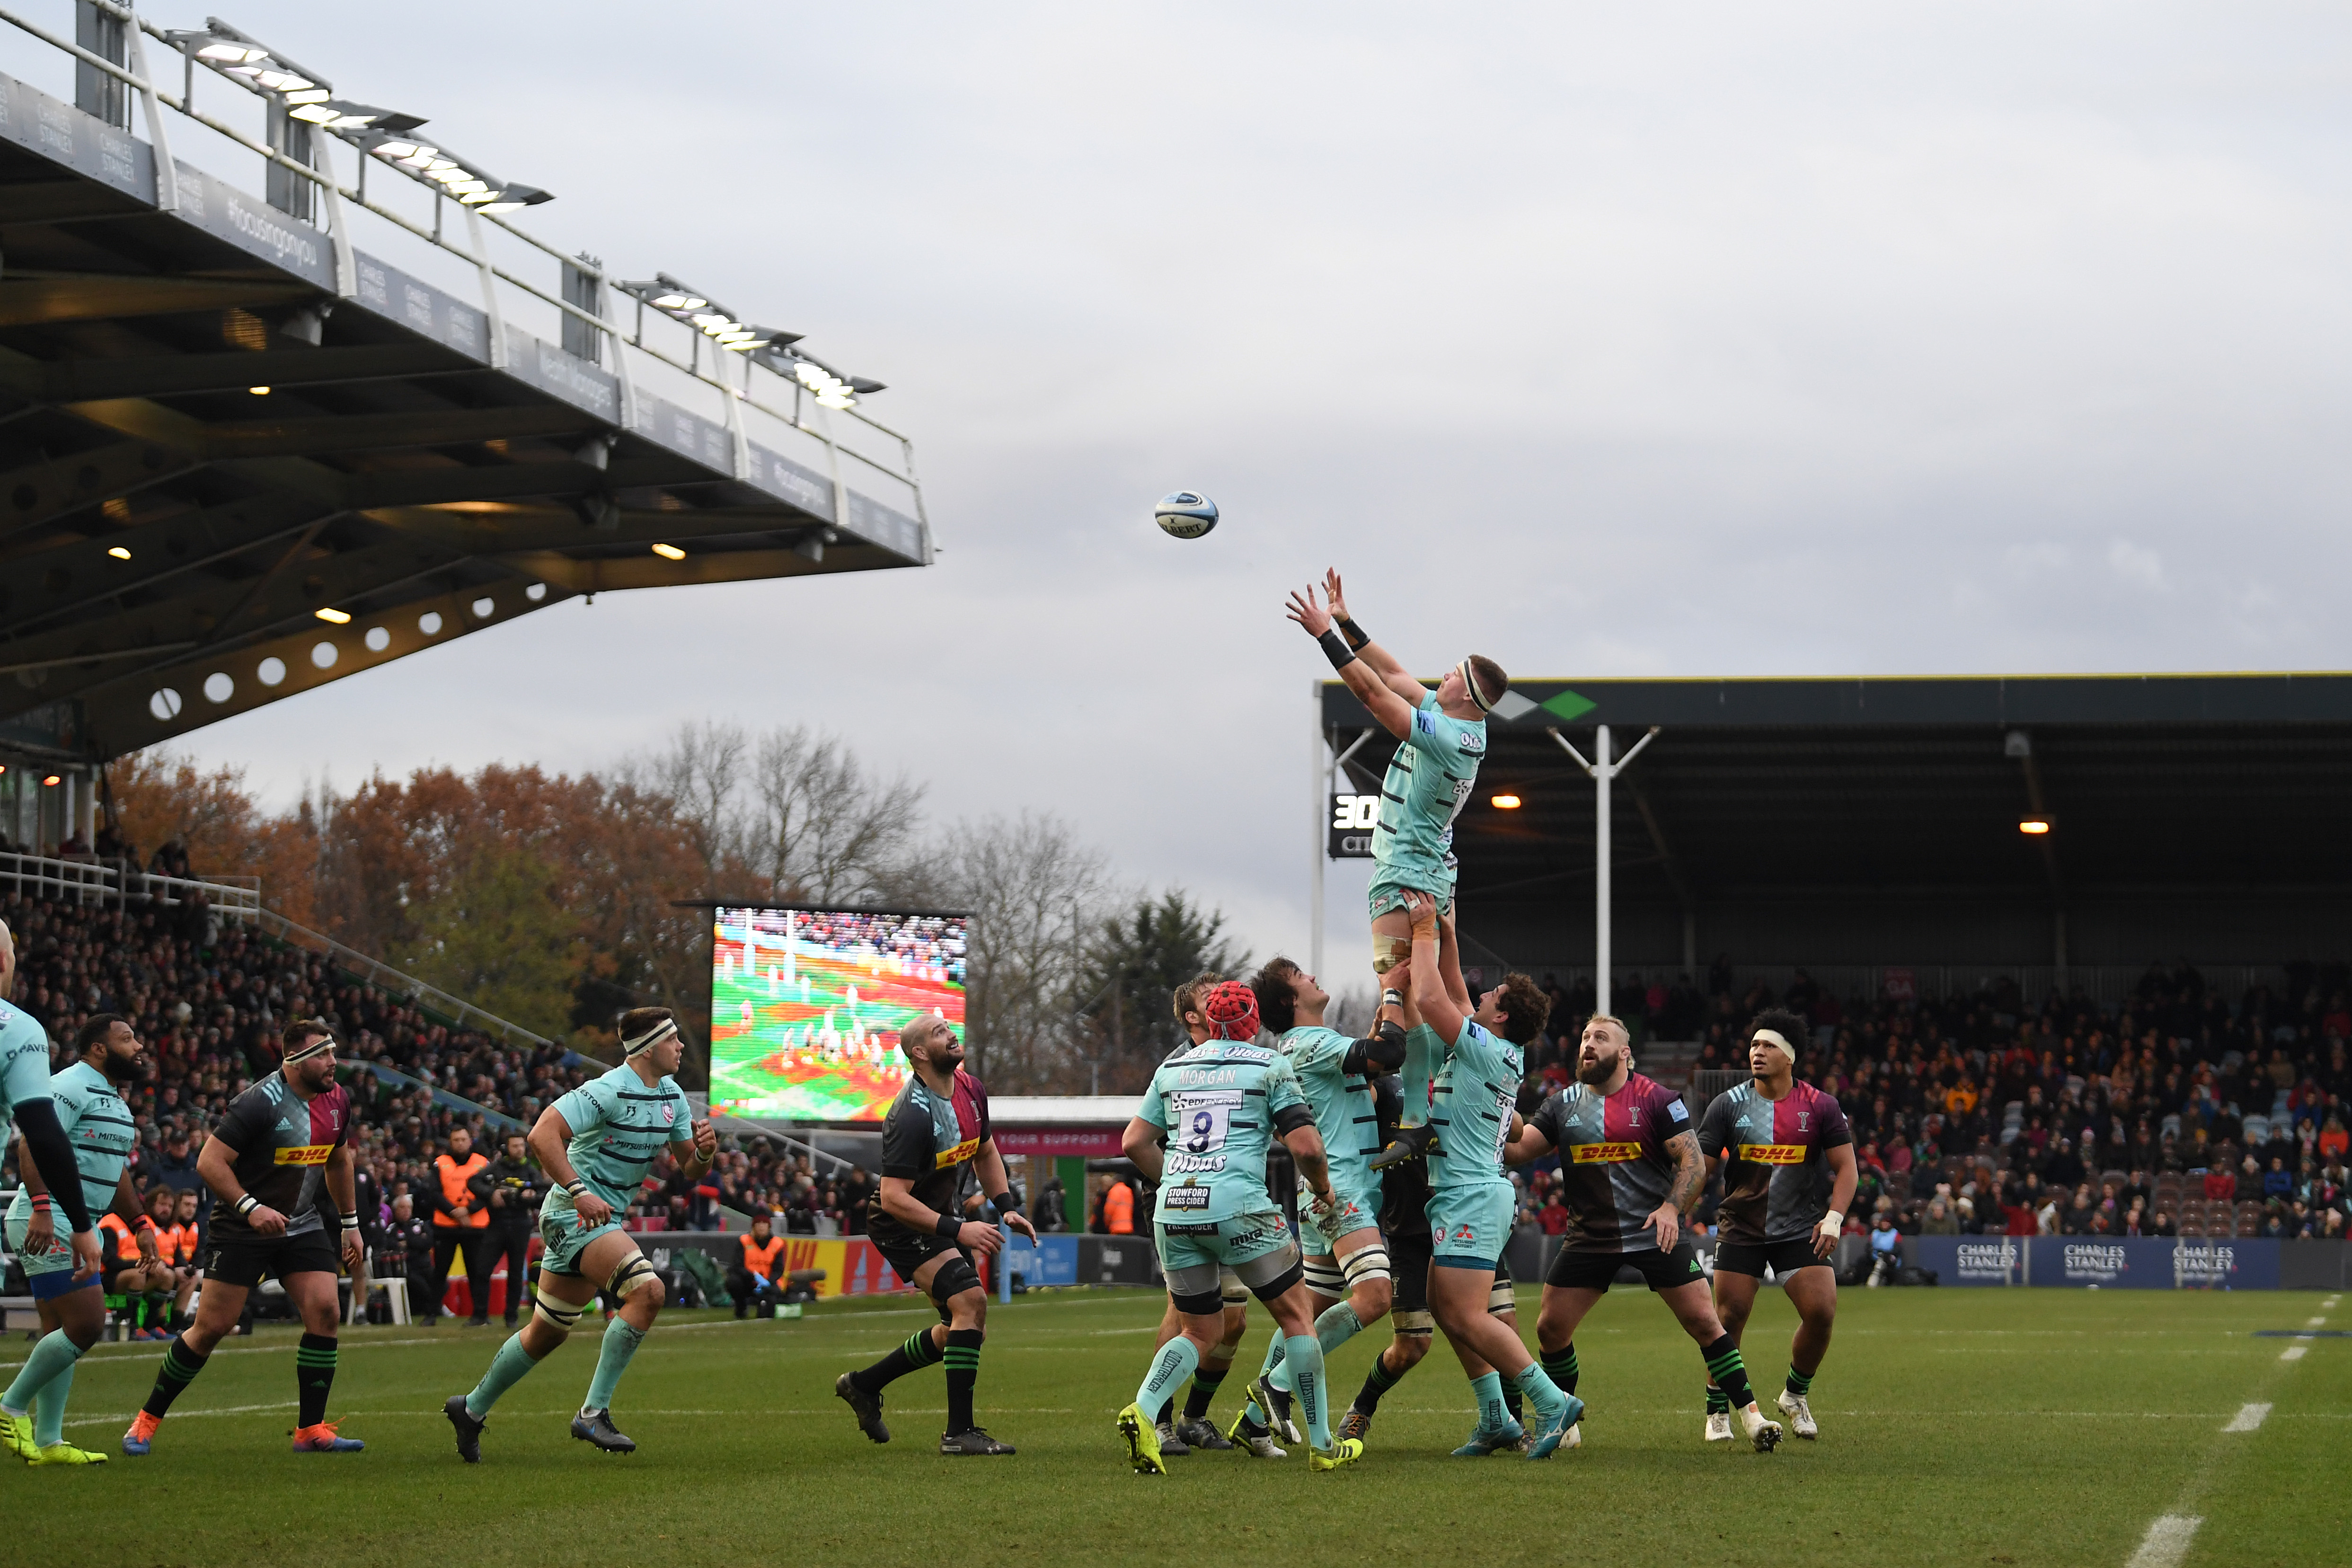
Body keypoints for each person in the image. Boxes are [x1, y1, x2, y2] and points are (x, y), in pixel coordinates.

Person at [1285, 571, 1504, 1171]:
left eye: (1456, 672)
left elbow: (1373, 696)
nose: (1446, 674)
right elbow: (1393, 671)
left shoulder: (1450, 735)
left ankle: (1416, 1119)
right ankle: (1467, 1095)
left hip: (1406, 871)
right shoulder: (1462, 718)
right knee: (1450, 995)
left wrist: (1324, 637)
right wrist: (1348, 622)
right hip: (1437, 867)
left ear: (1468, 696)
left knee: (1404, 991)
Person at [443, 1007, 716, 1460]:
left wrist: (705, 1153)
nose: (681, 1046)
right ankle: (593, 1413)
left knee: (546, 1332)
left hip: (597, 1219)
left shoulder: (673, 1096)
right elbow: (541, 1135)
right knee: (648, 1292)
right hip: (575, 1214)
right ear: (648, 1048)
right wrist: (578, 1191)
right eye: (672, 1040)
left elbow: (689, 1166)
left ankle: (469, 1410)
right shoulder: (605, 1090)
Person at [1509, 1010, 1784, 1453]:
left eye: (1600, 1037)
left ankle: (1752, 1418)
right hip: (1590, 1237)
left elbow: (1694, 1163)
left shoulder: (1657, 1099)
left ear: (1625, 1053)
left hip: (1654, 1230)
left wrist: (1673, 1209)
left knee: (1704, 1321)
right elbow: (1521, 1150)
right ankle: (1566, 1416)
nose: (1588, 1044)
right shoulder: (1562, 1103)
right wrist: (1480, 1126)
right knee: (1550, 1329)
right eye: (1584, 1037)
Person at [1117, 981, 1362, 1474]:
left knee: (1198, 1328)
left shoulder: (1172, 1067)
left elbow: (1133, 1142)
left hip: (1177, 1207)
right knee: (1297, 1316)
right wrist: (1323, 1188)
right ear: (1253, 1022)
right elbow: (1309, 1148)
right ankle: (1321, 1444)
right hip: (1239, 1206)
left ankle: (1143, 1409)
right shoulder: (1269, 1064)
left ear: (1209, 1021)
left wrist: (1177, 1178)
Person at [124, 1018, 366, 1456]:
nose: (333, 1063)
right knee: (211, 1327)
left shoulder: (337, 1100)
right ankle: (146, 1419)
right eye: (323, 1055)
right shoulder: (258, 1103)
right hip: (242, 1226)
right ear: (293, 1061)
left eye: (332, 1052)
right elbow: (210, 1162)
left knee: (326, 1311)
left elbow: (339, 1161)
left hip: (303, 1222)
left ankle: (310, 1429)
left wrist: (350, 1222)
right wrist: (251, 1209)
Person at [1394, 892, 1579, 1460]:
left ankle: (1551, 1402)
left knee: (1467, 1313)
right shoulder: (1496, 1046)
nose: (1478, 994)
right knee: (1445, 1308)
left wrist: (1422, 928)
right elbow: (1451, 991)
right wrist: (1447, 939)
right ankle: (1495, 1418)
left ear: (1498, 1016)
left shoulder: (1482, 1048)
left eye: (1490, 994)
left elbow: (1429, 995)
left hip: (1471, 1196)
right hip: (1465, 1194)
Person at [832, 1013, 1036, 1457]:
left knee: (963, 1329)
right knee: (972, 1304)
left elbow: (985, 1150)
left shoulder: (971, 1089)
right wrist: (959, 1229)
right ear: (920, 1053)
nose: (952, 1034)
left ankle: (863, 1385)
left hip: (940, 1217)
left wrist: (1007, 1209)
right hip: (901, 1223)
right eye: (939, 1032)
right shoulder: (910, 1115)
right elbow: (892, 1198)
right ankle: (958, 1434)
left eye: (949, 1028)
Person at [1234, 957, 1406, 1445]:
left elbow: (1365, 1064)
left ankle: (1252, 1417)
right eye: (1301, 977)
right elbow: (1388, 1051)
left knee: (1305, 1310)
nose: (1312, 978)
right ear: (1291, 1000)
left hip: (1323, 1192)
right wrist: (1392, 991)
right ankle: (1276, 1382)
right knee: (1375, 1297)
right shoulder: (1310, 1043)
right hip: (1340, 1191)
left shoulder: (1302, 1047)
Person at [1338, 1067, 1529, 1448]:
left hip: (1467, 1222)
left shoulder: (1466, 1074)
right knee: (1412, 1345)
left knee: (1502, 1323)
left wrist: (1491, 1094)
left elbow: (1518, 1130)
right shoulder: (1386, 1083)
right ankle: (1362, 1407)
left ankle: (1514, 1425)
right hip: (1410, 1230)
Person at [0, 1014, 156, 1465]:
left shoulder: (115, 1101)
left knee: (59, 1331)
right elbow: (32, 1145)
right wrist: (46, 1210)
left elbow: (115, 1171)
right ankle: (10, 1406)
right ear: (99, 1049)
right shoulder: (69, 1084)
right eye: (127, 1038)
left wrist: (141, 1223)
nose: (138, 1045)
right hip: (49, 1217)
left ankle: (49, 1442)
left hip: (77, 1220)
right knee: (87, 1323)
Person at [1697, 1008, 1857, 1444]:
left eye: (1767, 1045)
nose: (1757, 1052)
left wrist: (1834, 1218)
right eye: (1753, 1045)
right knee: (1728, 1319)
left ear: (1789, 1057)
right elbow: (1701, 1168)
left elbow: (1847, 1170)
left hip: (1799, 1228)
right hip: (1741, 1228)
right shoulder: (1727, 1105)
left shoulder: (1821, 1106)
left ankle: (1794, 1395)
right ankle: (1717, 1412)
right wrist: (1673, 1207)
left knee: (1822, 1312)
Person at [1139, 972, 1253, 1457]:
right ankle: (1156, 1421)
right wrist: (1179, 1179)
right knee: (1185, 1314)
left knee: (1235, 1319)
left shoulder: (1241, 1061)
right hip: (1181, 1198)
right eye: (1212, 1000)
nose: (1226, 1003)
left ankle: (1194, 1416)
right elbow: (1136, 1140)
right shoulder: (1178, 1066)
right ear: (1192, 1016)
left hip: (1226, 1199)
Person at [0, 920, 106, 1320]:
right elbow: (42, 1134)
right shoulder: (15, 1028)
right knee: (86, 1323)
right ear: (2, 960)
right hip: (61, 1211)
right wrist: (80, 1224)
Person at [429, 1128, 495, 1328]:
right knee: (440, 1272)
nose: (460, 1143)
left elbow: (488, 1192)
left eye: (463, 1139)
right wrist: (454, 1212)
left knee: (477, 1272)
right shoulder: (440, 1164)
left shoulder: (483, 1163)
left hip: (475, 1226)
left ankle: (480, 1315)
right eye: (456, 1140)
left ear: (470, 1141)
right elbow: (434, 1192)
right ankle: (431, 1314)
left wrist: (468, 1211)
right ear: (450, 1142)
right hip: (446, 1226)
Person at [482, 1131, 542, 1329]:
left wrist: (530, 1196)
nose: (519, 1149)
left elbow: (543, 1193)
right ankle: (480, 1314)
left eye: (521, 1145)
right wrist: (492, 1194)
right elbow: (474, 1182)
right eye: (515, 1146)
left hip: (520, 1223)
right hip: (497, 1223)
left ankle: (512, 1316)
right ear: (506, 1148)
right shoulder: (496, 1168)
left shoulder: (530, 1170)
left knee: (516, 1272)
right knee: (483, 1269)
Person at [729, 1209, 787, 1318]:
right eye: (758, 1224)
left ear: (769, 1227)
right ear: (753, 1227)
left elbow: (779, 1269)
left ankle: (765, 1307)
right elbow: (738, 1266)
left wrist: (768, 1282)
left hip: (768, 1282)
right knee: (734, 1282)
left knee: (770, 1305)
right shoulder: (744, 1241)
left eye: (764, 1224)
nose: (761, 1227)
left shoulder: (777, 1244)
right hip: (749, 1280)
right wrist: (754, 1277)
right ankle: (741, 1308)